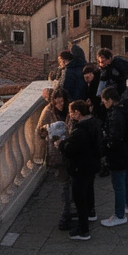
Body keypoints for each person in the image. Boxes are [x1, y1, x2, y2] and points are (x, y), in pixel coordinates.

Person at [99, 88, 128, 227]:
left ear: (111, 100)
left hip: (119, 153)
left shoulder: (116, 114)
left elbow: (114, 138)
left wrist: (105, 148)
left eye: (105, 101)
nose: (104, 104)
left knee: (118, 184)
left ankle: (120, 215)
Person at [59, 100, 102, 241]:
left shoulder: (80, 130)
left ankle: (83, 230)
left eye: (71, 112)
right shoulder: (94, 123)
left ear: (77, 112)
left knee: (79, 198)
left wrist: (60, 144)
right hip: (92, 164)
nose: (70, 115)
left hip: (80, 167)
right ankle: (91, 213)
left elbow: (69, 150)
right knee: (89, 190)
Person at [38, 88, 75, 228]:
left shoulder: (71, 110)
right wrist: (47, 130)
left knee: (73, 183)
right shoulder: (48, 112)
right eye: (57, 102)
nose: (60, 104)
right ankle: (66, 214)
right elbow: (39, 132)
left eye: (62, 101)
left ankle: (72, 210)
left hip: (71, 151)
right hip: (57, 154)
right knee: (65, 185)